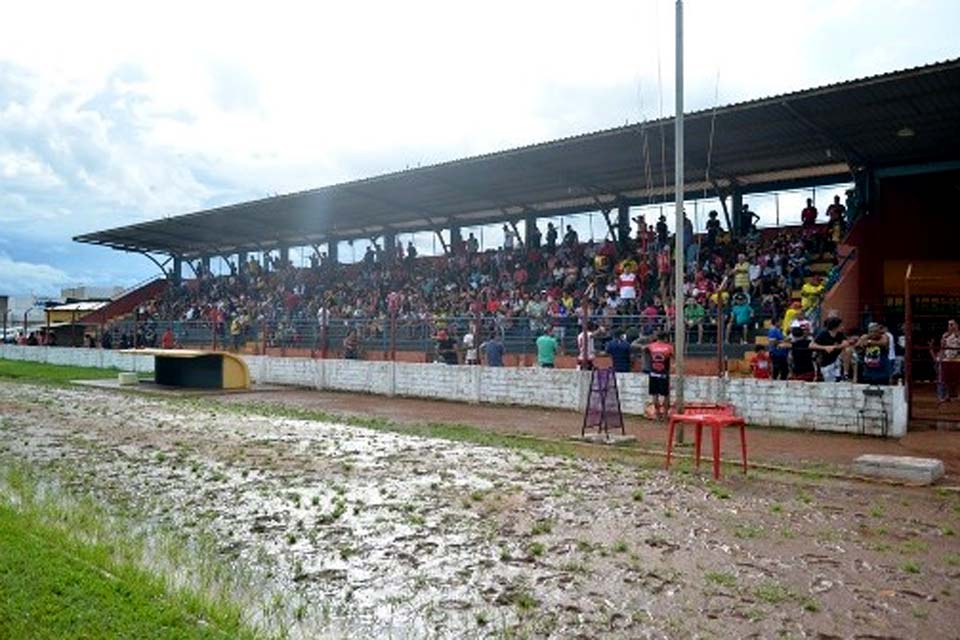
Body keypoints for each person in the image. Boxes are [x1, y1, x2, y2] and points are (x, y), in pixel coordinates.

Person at [645, 332, 674, 420]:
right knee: (666, 395)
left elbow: (644, 350)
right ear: (665, 338)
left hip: (653, 373)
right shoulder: (669, 347)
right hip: (663, 374)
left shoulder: (650, 346)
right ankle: (665, 415)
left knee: (655, 395)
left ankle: (657, 414)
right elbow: (673, 358)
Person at [812, 316, 846, 382]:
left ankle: (845, 373)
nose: (842, 327)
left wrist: (834, 347)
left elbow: (845, 343)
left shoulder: (840, 334)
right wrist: (825, 347)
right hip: (826, 360)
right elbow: (811, 345)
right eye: (840, 326)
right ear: (835, 327)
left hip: (836, 358)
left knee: (847, 351)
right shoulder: (823, 334)